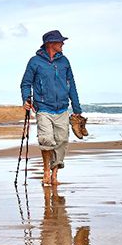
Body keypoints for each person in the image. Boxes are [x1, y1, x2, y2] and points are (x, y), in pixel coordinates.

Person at [20, 30, 82, 185]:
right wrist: (26, 99)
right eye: (60, 41)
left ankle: (54, 175)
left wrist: (77, 109)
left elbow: (72, 85)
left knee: (62, 141)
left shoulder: (64, 61)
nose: (63, 44)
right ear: (51, 44)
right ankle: (46, 171)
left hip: (62, 108)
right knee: (46, 139)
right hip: (43, 107)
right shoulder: (35, 61)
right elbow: (26, 83)